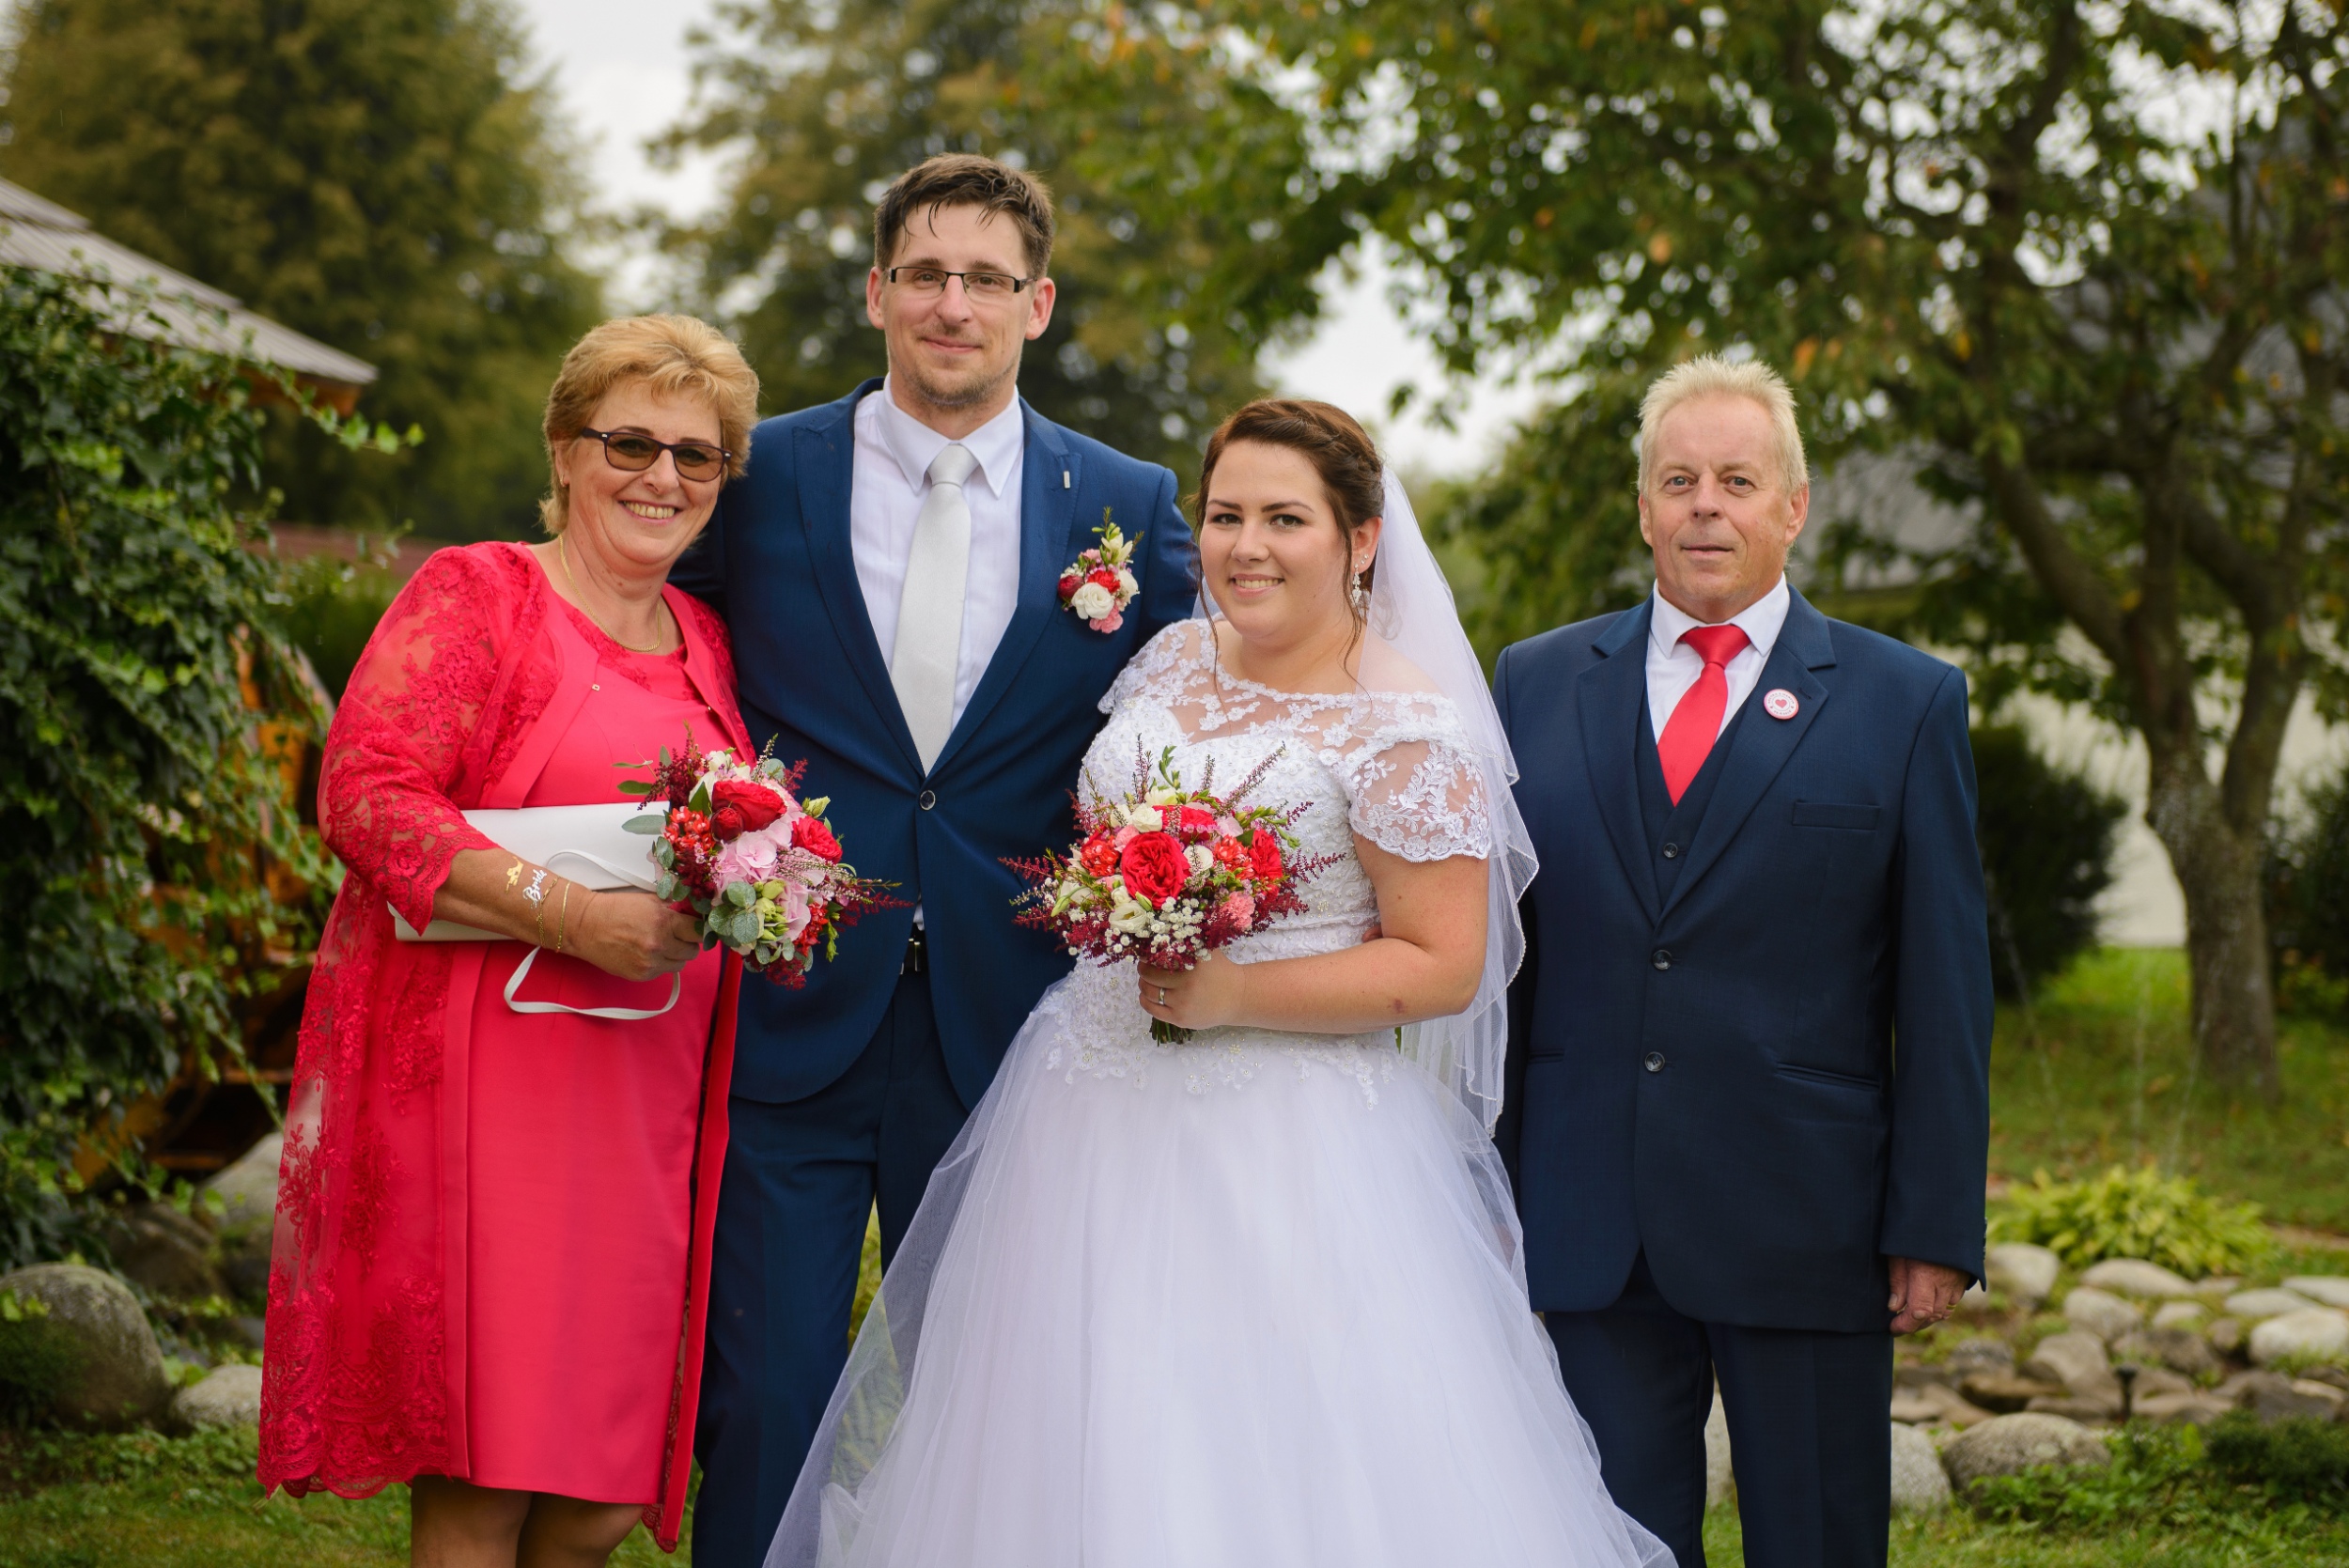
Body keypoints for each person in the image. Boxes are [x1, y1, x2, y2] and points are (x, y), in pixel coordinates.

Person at [760, 399, 1672, 1568]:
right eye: (1225, 514)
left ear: (1359, 538)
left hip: (1288, 1145)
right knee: (1060, 1421)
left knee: (1250, 1442)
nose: (1246, 546)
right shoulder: (1169, 656)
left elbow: (1443, 962)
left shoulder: (1404, 725)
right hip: (1080, 1110)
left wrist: (1237, 996)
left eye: (1285, 518)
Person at [667, 154, 1198, 1565]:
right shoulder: (760, 474)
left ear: (1037, 304)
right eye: (925, 274)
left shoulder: (1128, 499)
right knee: (766, 1399)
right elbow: (654, 650)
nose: (952, 304)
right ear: (876, 291)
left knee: (997, 1409)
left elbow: (1210, 698)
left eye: (984, 279)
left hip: (1008, 1020)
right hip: (790, 1002)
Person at [257, 316, 762, 1565]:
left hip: (645, 1098)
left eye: (696, 455)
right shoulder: (481, 591)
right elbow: (366, 794)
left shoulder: (707, 642)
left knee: (596, 1503)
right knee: (485, 1484)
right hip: (493, 1094)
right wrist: (572, 915)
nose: (662, 476)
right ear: (565, 447)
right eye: (630, 443)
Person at [1492, 356, 1994, 1568]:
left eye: (1735, 480)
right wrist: (1492, 1188)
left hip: (1807, 1214)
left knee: (1816, 1541)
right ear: (1643, 508)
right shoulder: (1533, 680)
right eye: (1678, 481)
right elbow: (1508, 958)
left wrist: (1933, 1219)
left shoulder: (1905, 700)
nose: (1704, 506)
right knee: (1608, 1544)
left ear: (1793, 506)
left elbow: (1943, 986)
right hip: (1588, 1210)